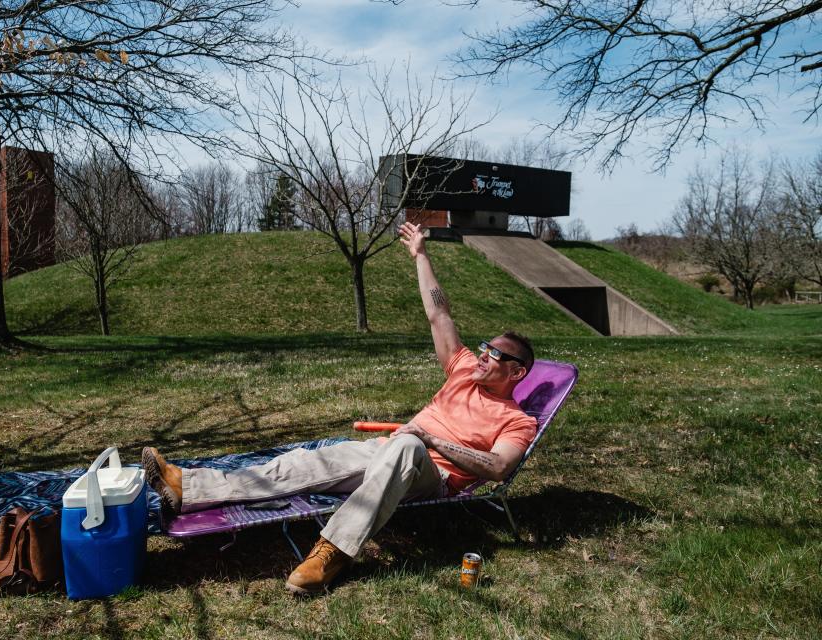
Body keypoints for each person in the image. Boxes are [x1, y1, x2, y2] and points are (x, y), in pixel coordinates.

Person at [143, 221, 538, 595]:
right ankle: (188, 487)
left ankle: (333, 551)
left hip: (431, 475)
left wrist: (428, 437)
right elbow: (439, 313)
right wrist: (420, 254)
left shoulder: (518, 421)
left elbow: (499, 468)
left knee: (406, 447)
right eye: (484, 347)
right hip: (389, 452)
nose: (483, 355)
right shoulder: (464, 369)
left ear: (517, 372)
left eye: (495, 354)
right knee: (301, 463)